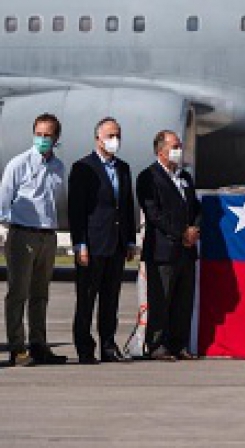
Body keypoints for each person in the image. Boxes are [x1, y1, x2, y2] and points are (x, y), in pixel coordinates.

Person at [68, 117, 138, 364]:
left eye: (117, 135)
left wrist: (130, 240)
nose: (114, 140)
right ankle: (85, 348)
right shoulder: (83, 168)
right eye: (110, 136)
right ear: (97, 138)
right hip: (93, 244)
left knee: (111, 299)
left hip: (116, 244)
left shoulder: (123, 168)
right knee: (87, 299)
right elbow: (77, 210)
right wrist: (80, 244)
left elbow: (127, 207)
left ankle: (108, 345)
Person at [0, 113, 67, 366]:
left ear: (56, 138)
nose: (42, 139)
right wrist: (6, 228)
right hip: (23, 234)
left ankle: (38, 344)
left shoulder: (58, 167)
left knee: (41, 294)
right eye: (38, 134)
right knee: (18, 292)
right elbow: (3, 200)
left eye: (47, 135)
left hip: (47, 236)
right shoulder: (19, 164)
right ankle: (17, 347)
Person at [137, 130, 201, 361]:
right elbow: (154, 214)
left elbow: (195, 207)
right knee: (161, 299)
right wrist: (181, 232)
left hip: (186, 249)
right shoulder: (148, 177)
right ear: (161, 150)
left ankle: (178, 343)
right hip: (162, 250)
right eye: (175, 146)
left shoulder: (185, 177)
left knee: (183, 300)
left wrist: (194, 230)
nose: (179, 150)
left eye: (180, 146)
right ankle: (156, 344)